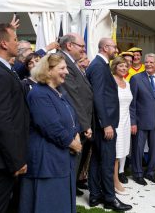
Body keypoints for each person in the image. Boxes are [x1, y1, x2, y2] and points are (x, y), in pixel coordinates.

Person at [19, 53, 82, 213]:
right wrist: (73, 143)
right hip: (46, 161)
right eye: (62, 68)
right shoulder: (39, 94)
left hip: (60, 158)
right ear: (48, 70)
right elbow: (51, 127)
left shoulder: (58, 91)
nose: (66, 72)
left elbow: (71, 117)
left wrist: (76, 133)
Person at [0, 23, 29, 213]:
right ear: (3, 44)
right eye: (15, 39)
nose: (18, 44)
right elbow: (1, 121)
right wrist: (16, 160)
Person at [86, 38, 132, 211]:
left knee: (97, 160)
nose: (116, 49)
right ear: (105, 48)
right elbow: (98, 96)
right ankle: (110, 198)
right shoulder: (98, 66)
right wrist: (106, 124)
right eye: (114, 47)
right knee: (106, 161)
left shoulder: (101, 64)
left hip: (102, 123)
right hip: (103, 124)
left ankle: (95, 196)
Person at [58, 33, 93, 196]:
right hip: (74, 123)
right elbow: (73, 96)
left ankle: (69, 192)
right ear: (69, 46)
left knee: (75, 162)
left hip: (79, 121)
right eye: (82, 46)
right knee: (70, 163)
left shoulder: (71, 63)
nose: (84, 50)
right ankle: (65, 194)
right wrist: (85, 124)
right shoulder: (62, 61)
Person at [130, 53, 155, 185]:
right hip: (140, 121)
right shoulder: (136, 79)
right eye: (147, 62)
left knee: (154, 148)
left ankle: (150, 172)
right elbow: (132, 104)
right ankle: (138, 174)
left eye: (151, 62)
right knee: (138, 149)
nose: (148, 64)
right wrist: (133, 122)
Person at [111, 56, 133, 193]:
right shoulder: (111, 81)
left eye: (125, 66)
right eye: (121, 66)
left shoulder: (127, 82)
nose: (124, 68)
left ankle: (115, 177)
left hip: (126, 122)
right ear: (115, 67)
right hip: (115, 122)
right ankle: (114, 181)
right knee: (115, 154)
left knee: (121, 153)